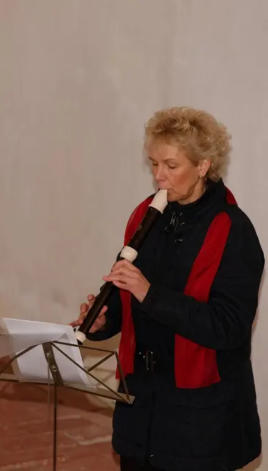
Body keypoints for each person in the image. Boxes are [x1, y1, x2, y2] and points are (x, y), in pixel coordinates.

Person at [72, 107, 263, 471]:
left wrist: (149, 292)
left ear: (203, 165)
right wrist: (104, 321)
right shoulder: (147, 217)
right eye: (153, 164)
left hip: (199, 416)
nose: (159, 176)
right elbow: (131, 299)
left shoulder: (234, 231)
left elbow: (229, 328)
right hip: (141, 401)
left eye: (171, 166)